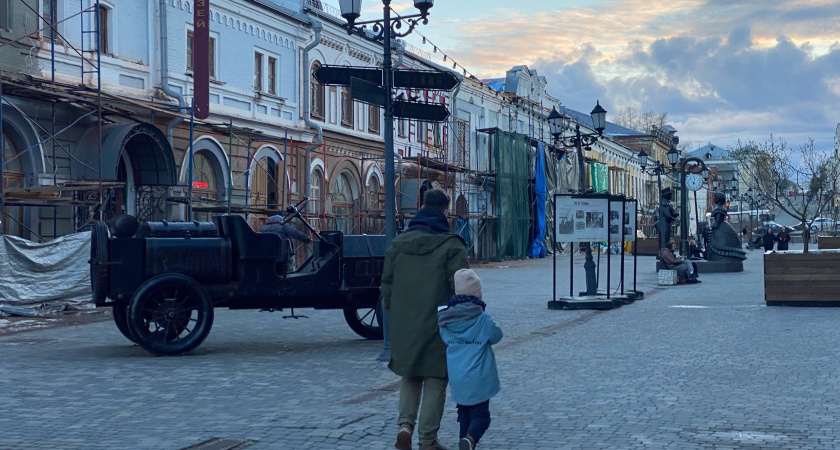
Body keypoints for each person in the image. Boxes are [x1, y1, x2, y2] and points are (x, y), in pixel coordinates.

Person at [381, 189, 469, 450]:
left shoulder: (398, 244)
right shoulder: (452, 245)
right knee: (436, 377)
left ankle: (405, 425)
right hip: (439, 322)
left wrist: (394, 311)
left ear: (421, 207)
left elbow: (386, 283)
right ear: (445, 210)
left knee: (410, 373)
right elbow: (461, 289)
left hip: (404, 320)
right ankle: (428, 440)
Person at [437, 269, 502, 450]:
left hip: (457, 376)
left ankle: (464, 441)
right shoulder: (482, 319)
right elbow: (497, 335)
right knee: (482, 417)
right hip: (478, 378)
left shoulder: (446, 319)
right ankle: (470, 439)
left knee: (464, 413)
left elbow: (444, 337)